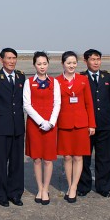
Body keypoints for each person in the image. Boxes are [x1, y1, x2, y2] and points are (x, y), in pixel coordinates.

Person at [55, 51, 96, 203]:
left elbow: (89, 104)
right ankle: (69, 184)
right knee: (67, 157)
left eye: (74, 63)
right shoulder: (56, 81)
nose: (71, 66)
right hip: (64, 123)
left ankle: (74, 187)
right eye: (68, 63)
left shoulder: (83, 80)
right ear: (63, 64)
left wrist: (91, 124)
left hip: (81, 123)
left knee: (78, 156)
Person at [0, 48, 26, 207]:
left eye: (14, 58)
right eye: (8, 58)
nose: (11, 61)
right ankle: (1, 195)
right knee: (0, 162)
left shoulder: (21, 77)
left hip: (18, 126)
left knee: (17, 162)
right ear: (1, 60)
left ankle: (15, 193)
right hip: (0, 127)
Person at [23, 51, 61, 205]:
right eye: (39, 64)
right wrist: (41, 122)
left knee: (48, 160)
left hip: (51, 124)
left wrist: (50, 122)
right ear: (34, 65)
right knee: (37, 159)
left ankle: (46, 188)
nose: (42, 66)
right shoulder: (28, 82)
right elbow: (27, 104)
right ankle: (39, 188)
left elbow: (57, 103)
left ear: (48, 64)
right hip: (34, 124)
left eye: (44, 63)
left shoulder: (54, 82)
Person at [77, 49, 110, 198]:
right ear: (86, 61)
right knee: (84, 157)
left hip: (105, 123)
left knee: (105, 157)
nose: (96, 62)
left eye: (98, 59)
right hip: (86, 124)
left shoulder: (108, 77)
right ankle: (84, 186)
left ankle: (103, 187)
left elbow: (109, 98)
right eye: (92, 59)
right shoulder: (81, 78)